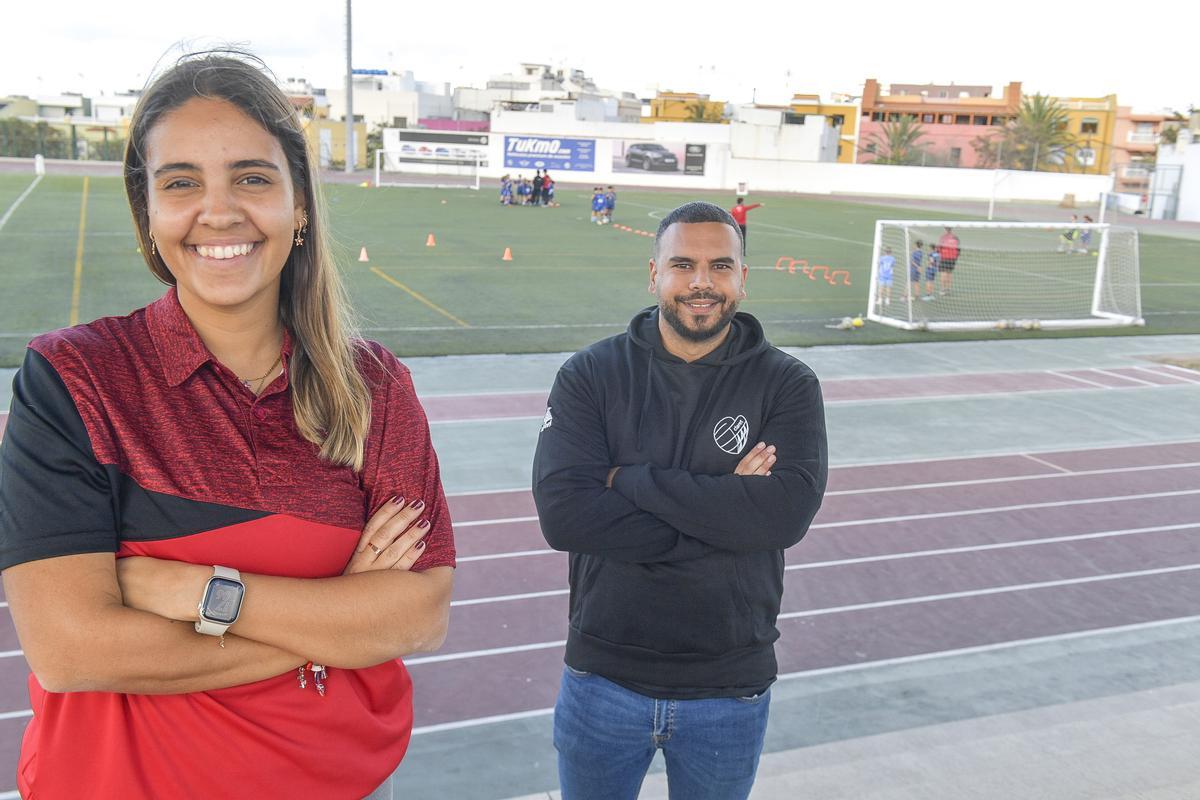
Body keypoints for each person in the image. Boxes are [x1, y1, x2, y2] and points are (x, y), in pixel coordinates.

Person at [0, 51, 455, 799]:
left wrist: (193, 593)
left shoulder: (375, 387)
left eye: (252, 177)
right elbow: (72, 649)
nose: (219, 211)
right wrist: (335, 616)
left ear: (299, 205)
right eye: (181, 183)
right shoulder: (75, 379)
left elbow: (418, 615)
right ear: (147, 211)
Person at [532, 201, 827, 800]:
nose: (701, 282)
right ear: (654, 274)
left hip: (729, 686)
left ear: (743, 277)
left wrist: (629, 480)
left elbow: (785, 514)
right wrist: (727, 512)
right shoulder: (592, 374)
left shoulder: (788, 384)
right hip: (603, 678)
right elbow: (564, 514)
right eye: (683, 264)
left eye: (720, 266)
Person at [936, 226, 960, 295]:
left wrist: (938, 252)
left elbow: (939, 248)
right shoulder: (955, 237)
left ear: (945, 229)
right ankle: (948, 289)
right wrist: (956, 256)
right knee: (949, 273)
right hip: (953, 258)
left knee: (943, 273)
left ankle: (943, 289)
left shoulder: (943, 237)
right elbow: (958, 248)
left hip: (945, 257)